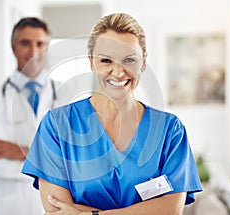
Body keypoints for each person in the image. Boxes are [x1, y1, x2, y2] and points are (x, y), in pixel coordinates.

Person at [22, 13, 203, 214]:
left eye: (129, 60)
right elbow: (57, 210)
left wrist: (92, 214)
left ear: (143, 62)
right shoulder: (56, 126)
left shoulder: (169, 130)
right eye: (106, 60)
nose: (118, 72)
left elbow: (170, 210)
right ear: (92, 63)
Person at [0, 17, 55, 215]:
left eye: (40, 43)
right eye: (25, 43)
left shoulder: (66, 97)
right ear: (13, 48)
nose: (33, 51)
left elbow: (72, 160)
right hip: (11, 207)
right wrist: (48, 161)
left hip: (55, 205)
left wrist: (20, 151)